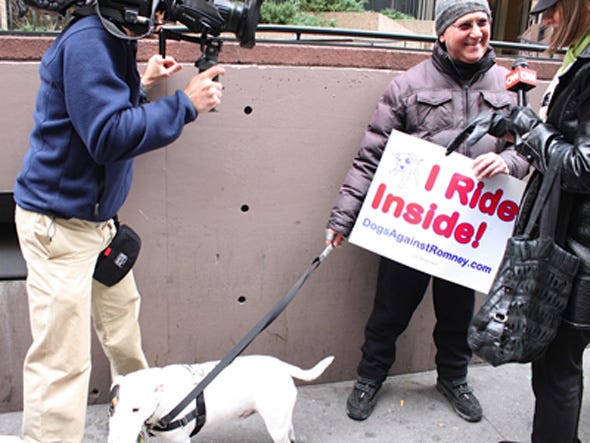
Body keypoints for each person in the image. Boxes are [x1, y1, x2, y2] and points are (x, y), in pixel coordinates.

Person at [11, 0, 225, 441]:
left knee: (123, 332)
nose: (162, 13)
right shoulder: (90, 39)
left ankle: (144, 422)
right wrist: (184, 105)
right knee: (61, 364)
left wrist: (142, 86)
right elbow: (106, 136)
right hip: (60, 229)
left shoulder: (110, 34)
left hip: (95, 226)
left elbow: (95, 117)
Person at [324, 0, 530, 424]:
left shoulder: (509, 87)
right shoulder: (407, 85)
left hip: (469, 230)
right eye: (465, 25)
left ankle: (453, 378)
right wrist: (343, 219)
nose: (477, 32)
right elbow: (371, 158)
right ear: (442, 33)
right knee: (389, 310)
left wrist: (509, 163)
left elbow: (529, 148)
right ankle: (370, 377)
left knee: (457, 315)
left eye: (483, 23)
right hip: (411, 228)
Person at [460, 1, 590, 441]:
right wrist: (518, 127)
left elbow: (579, 168)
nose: (545, 21)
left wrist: (531, 128)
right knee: (553, 366)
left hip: (578, 247)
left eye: (550, 9)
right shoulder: (580, 54)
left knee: (558, 369)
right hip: (566, 236)